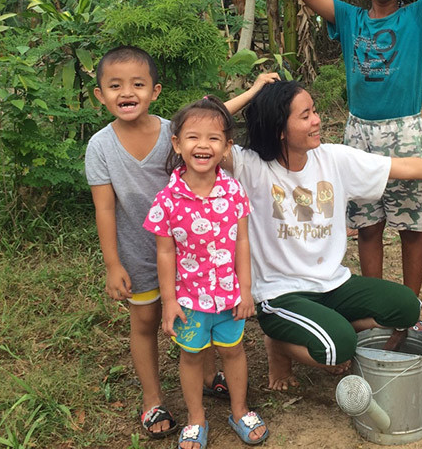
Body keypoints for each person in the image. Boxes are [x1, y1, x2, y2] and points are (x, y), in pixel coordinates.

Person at [225, 80, 422, 390]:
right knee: (338, 347)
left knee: (407, 306)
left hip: (333, 283)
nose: (317, 120)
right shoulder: (250, 166)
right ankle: (278, 344)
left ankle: (324, 328)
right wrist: (254, 93)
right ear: (280, 129)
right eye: (305, 116)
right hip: (281, 293)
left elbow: (406, 167)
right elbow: (199, 127)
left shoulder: (333, 158)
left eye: (314, 111)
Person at [85, 45, 278, 438]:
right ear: (99, 95)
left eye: (137, 84)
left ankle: (210, 379)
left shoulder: (174, 131)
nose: (127, 93)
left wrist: (257, 86)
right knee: (145, 322)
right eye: (116, 85)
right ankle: (152, 400)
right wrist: (112, 263)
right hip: (141, 253)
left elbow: (213, 118)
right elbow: (105, 209)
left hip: (197, 256)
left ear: (154, 91)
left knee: (197, 321)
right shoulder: (100, 147)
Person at [293, 0, 422, 333]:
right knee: (368, 226)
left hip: (405, 133)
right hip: (359, 134)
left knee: (411, 226)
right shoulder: (350, 18)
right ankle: (377, 311)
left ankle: (409, 312)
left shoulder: (417, 16)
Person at [144, 97, 268, 449]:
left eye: (214, 138)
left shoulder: (234, 192)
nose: (203, 145)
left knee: (234, 351)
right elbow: (165, 252)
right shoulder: (167, 200)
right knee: (191, 356)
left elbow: (242, 243)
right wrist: (169, 302)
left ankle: (240, 410)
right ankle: (196, 418)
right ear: (177, 144)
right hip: (190, 300)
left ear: (227, 146)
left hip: (230, 297)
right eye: (193, 137)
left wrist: (246, 291)